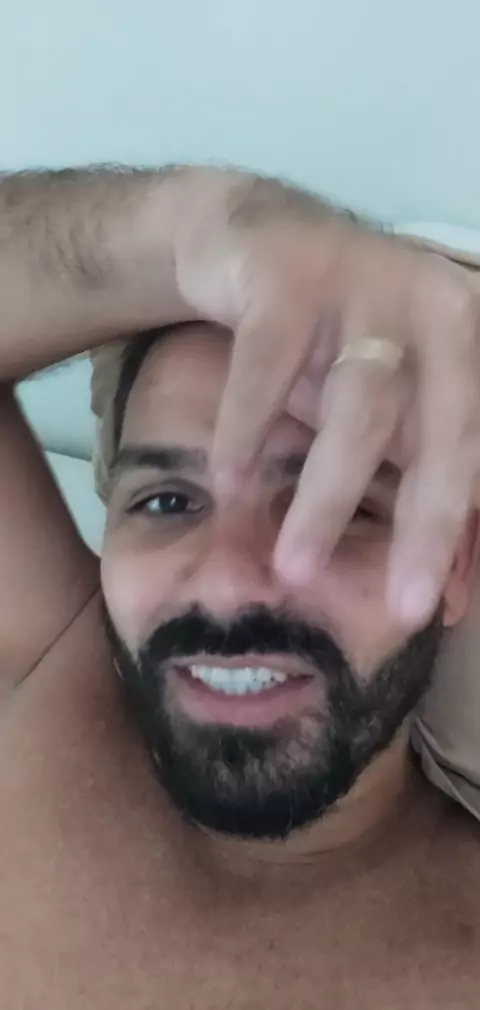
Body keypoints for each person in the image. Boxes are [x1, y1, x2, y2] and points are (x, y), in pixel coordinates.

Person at [0, 165, 479, 1009]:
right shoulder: (64, 657)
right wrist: (208, 222)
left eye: (341, 508)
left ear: (455, 564)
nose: (226, 586)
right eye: (167, 501)